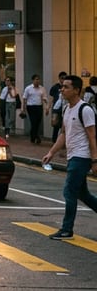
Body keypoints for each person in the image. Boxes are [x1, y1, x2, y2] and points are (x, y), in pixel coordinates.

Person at [41, 75, 97, 240]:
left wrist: (94, 160)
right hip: (73, 156)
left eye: (66, 87)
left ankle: (67, 229)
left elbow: (92, 136)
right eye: (62, 86)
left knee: (69, 191)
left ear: (76, 90)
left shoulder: (85, 109)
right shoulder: (67, 109)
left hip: (82, 157)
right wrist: (51, 152)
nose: (62, 89)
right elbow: (64, 134)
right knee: (82, 194)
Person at [21, 74, 49, 144]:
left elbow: (44, 98)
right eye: (36, 79)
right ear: (33, 80)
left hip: (39, 107)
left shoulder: (42, 88)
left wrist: (47, 107)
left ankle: (33, 136)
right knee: (33, 122)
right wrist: (23, 109)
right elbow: (24, 99)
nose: (37, 81)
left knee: (38, 122)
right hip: (31, 107)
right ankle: (36, 136)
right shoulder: (28, 88)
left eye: (38, 79)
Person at [49, 71, 68, 143]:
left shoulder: (66, 87)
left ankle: (62, 142)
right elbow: (52, 98)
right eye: (62, 78)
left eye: (65, 78)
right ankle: (54, 141)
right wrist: (48, 107)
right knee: (56, 125)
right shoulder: (55, 87)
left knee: (64, 125)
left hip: (65, 108)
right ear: (59, 78)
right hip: (57, 109)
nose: (64, 80)